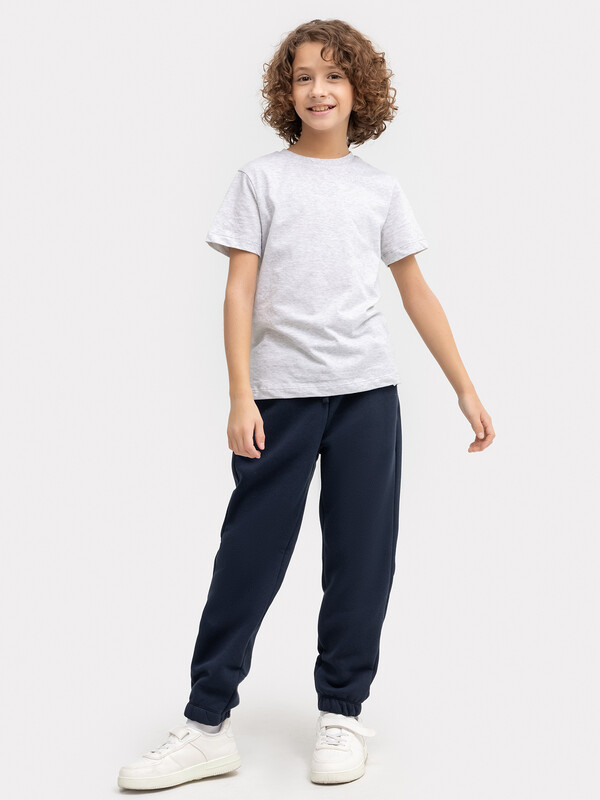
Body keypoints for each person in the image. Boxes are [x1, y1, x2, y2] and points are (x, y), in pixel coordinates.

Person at [117, 17, 495, 791]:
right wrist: (240, 395)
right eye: (303, 77)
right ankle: (205, 725)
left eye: (333, 75)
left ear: (360, 90)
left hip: (367, 398)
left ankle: (342, 714)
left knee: (362, 559)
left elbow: (416, 292)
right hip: (280, 400)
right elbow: (239, 291)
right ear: (285, 92)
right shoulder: (261, 181)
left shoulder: (379, 189)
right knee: (248, 558)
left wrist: (464, 385)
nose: (318, 90)